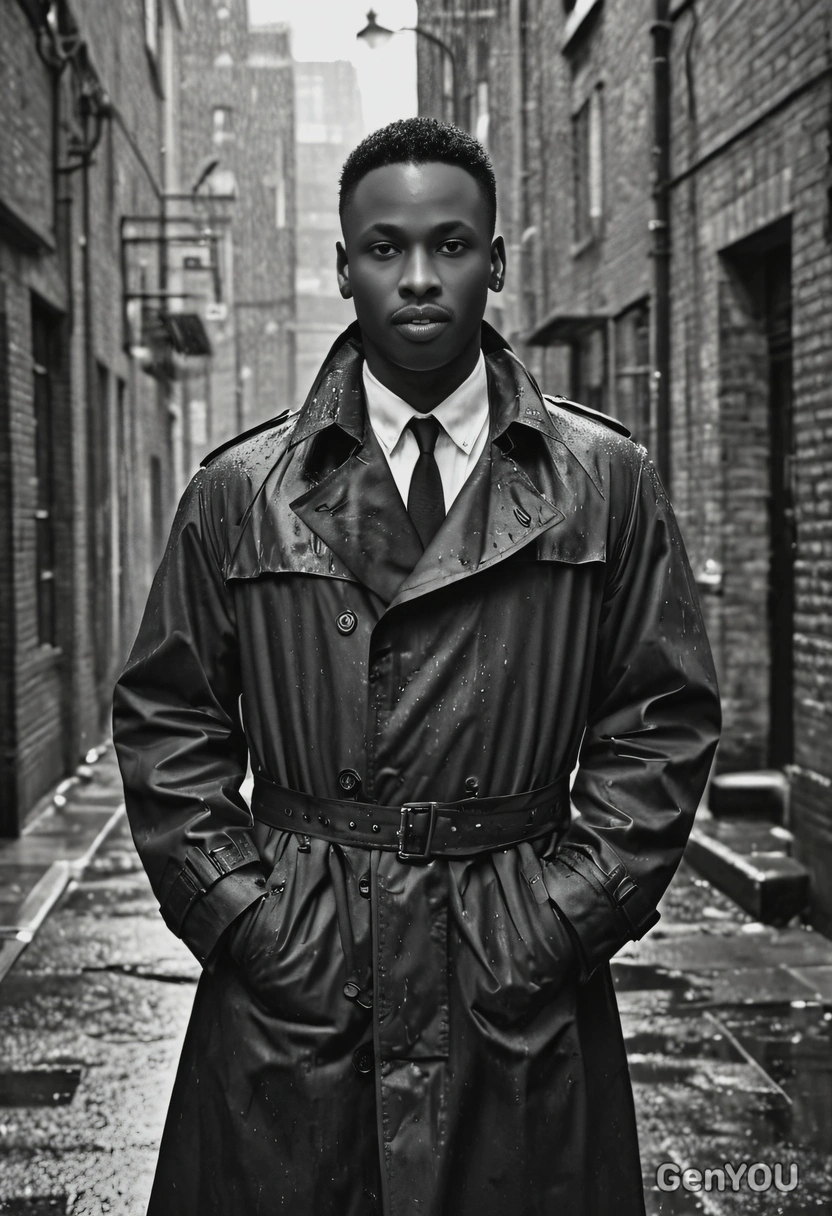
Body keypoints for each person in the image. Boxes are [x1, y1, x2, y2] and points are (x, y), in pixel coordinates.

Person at [113, 117, 721, 1216]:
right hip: (304, 957)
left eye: (450, 244)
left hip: (512, 953)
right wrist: (250, 918)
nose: (420, 276)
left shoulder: (604, 480)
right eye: (385, 248)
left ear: (495, 259)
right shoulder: (240, 490)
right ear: (341, 266)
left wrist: (556, 918)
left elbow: (660, 721)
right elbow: (169, 719)